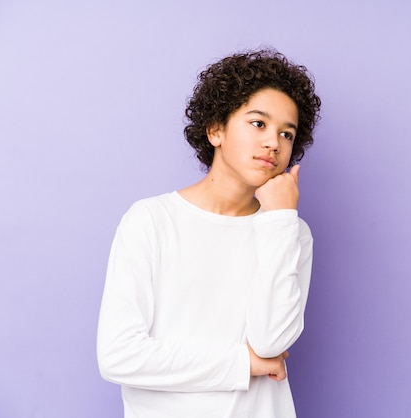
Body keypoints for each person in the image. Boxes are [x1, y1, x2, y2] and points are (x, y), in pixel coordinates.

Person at [96, 48, 321, 418]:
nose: (273, 143)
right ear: (216, 129)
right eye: (258, 124)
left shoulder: (290, 231)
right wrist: (242, 363)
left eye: (286, 133)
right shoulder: (151, 220)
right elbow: (119, 355)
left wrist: (280, 219)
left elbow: (272, 341)